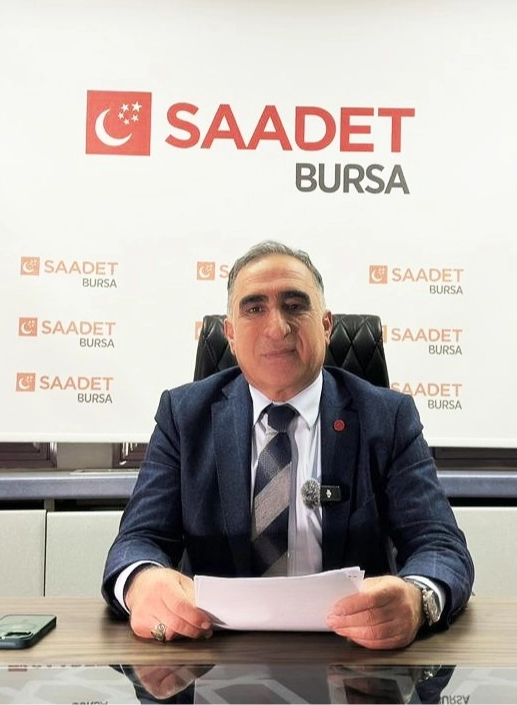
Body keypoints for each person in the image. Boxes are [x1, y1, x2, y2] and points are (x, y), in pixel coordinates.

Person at [101, 240, 473, 650]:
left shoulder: (387, 417)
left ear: (326, 326)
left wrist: (419, 599)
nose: (278, 327)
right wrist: (141, 582)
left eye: (295, 306)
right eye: (254, 308)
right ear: (230, 335)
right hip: (215, 653)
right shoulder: (184, 416)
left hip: (356, 655)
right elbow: (138, 540)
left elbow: (440, 546)